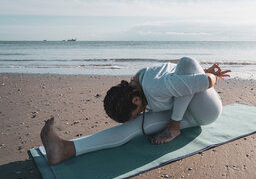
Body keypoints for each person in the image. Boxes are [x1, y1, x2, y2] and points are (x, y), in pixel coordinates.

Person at [40, 57, 231, 165]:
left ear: (135, 99)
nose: (140, 115)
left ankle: (175, 127)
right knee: (133, 127)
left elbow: (206, 82)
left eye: (137, 112)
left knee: (187, 62)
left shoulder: (155, 88)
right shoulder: (138, 82)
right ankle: (66, 149)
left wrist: (209, 75)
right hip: (180, 104)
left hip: (206, 109)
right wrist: (194, 77)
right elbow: (176, 80)